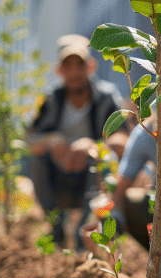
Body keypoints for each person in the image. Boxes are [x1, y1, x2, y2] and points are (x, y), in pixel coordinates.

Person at [26, 34, 128, 249]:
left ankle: (87, 234)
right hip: (58, 179)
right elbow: (28, 139)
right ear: (59, 70)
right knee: (35, 160)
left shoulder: (107, 97)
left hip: (92, 177)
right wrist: (51, 140)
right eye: (67, 66)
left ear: (91, 66)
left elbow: (124, 139)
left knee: (104, 159)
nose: (74, 73)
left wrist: (93, 146)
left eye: (79, 65)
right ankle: (57, 231)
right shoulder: (50, 99)